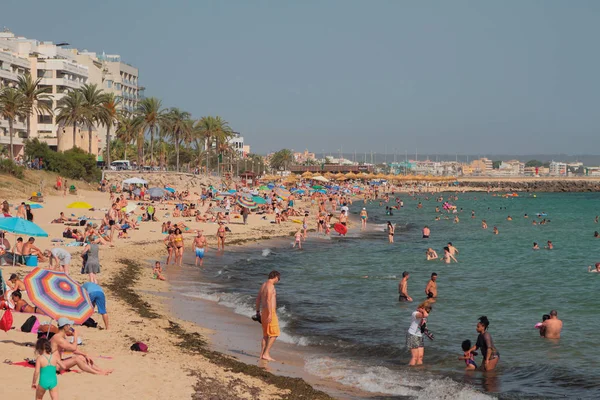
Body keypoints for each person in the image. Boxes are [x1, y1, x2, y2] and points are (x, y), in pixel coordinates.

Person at [255, 270, 281, 361]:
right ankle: (266, 354)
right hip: (270, 312)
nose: (278, 281)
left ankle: (262, 354)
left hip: (263, 311)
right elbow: (269, 300)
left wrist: (257, 312)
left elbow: (258, 299)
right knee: (275, 333)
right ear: (276, 277)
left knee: (265, 334)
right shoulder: (271, 286)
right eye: (279, 279)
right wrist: (270, 313)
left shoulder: (263, 285)